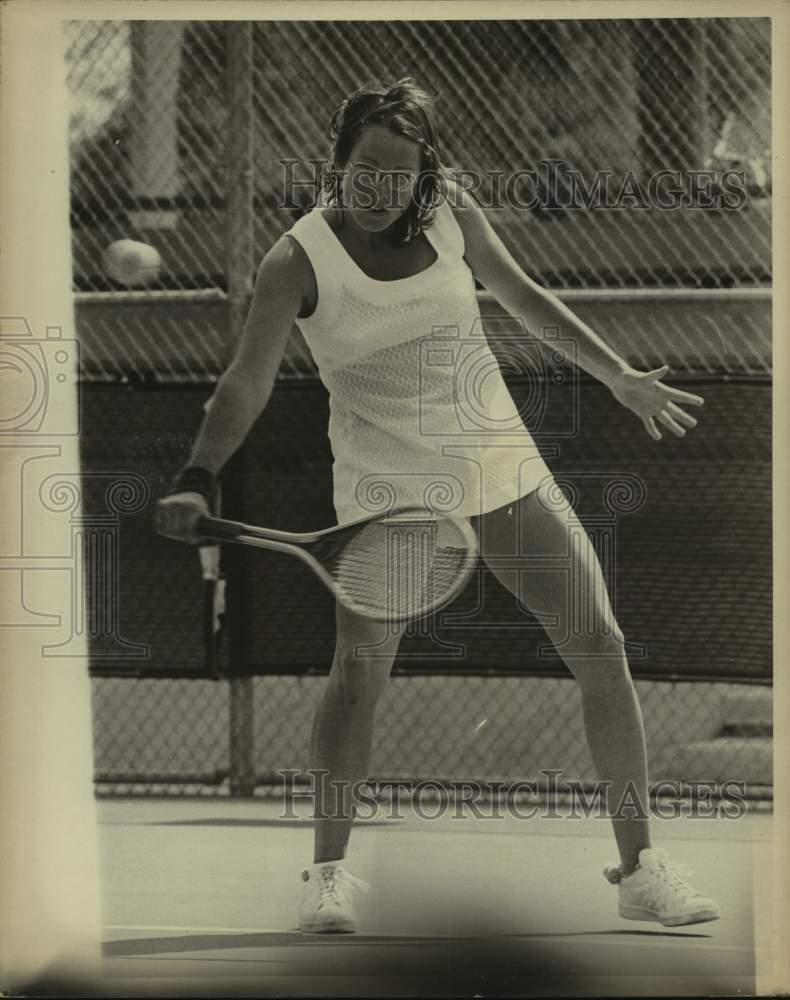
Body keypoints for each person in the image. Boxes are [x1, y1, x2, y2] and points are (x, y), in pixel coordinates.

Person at [155, 78, 720, 934]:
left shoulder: (453, 213)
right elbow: (247, 381)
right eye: (363, 169)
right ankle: (330, 875)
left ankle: (641, 867)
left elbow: (526, 298)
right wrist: (199, 472)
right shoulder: (295, 260)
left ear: (425, 174)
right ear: (336, 163)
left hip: (499, 465)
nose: (378, 188)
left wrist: (619, 377)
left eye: (398, 172)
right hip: (385, 494)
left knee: (599, 644)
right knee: (358, 677)